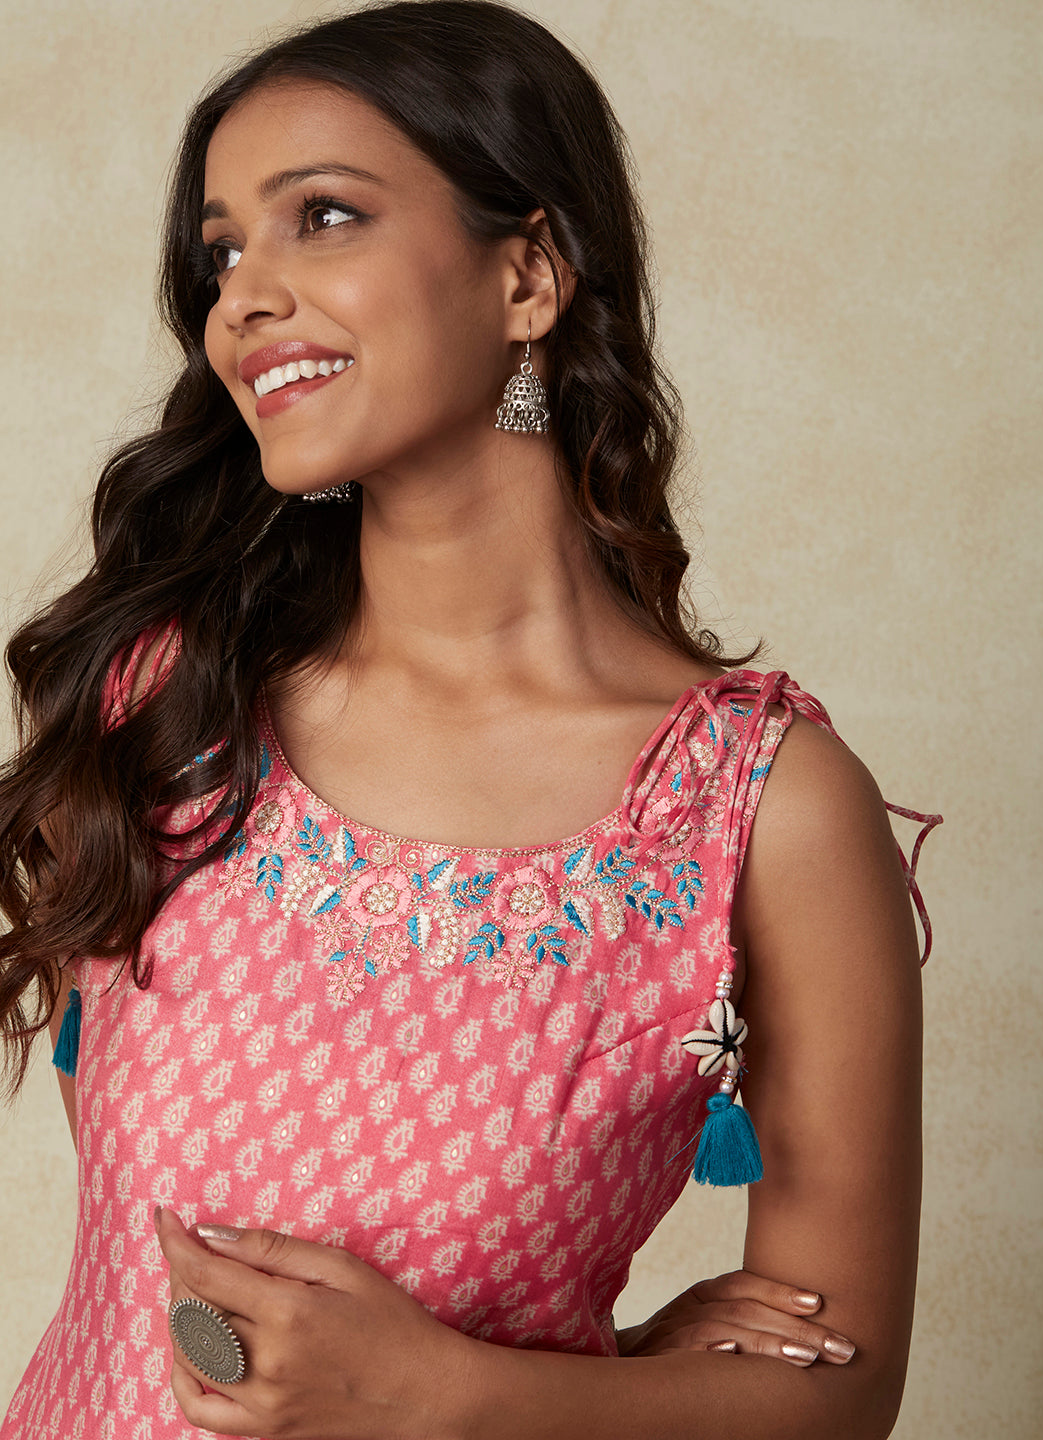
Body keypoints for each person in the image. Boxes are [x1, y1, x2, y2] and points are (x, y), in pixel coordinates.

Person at [0, 3, 940, 1437]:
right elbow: (154, 1273)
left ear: (530, 273)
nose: (242, 298)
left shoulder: (757, 806)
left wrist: (463, 1392)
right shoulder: (166, 701)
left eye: (323, 216)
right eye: (221, 251)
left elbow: (840, 1393)